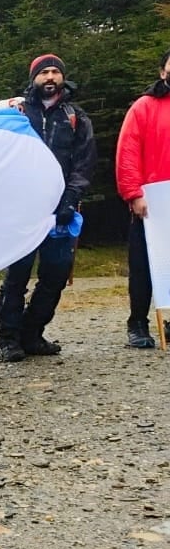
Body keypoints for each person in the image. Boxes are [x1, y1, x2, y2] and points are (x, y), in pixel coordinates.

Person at [0, 54, 96, 361]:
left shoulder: (76, 117)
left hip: (61, 209)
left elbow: (84, 162)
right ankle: (8, 340)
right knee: (17, 275)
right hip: (23, 208)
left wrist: (70, 198)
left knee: (55, 273)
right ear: (34, 78)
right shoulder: (17, 113)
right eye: (44, 73)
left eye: (55, 72)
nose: (49, 77)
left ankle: (32, 333)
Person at [115, 48, 170, 349]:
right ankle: (138, 323)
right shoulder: (144, 108)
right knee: (144, 266)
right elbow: (128, 153)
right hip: (152, 204)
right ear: (163, 71)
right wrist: (133, 193)